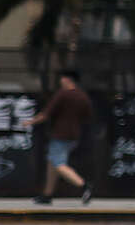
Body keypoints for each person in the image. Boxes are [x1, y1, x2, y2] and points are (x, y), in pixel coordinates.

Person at [29, 69, 93, 204]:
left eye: (62, 78)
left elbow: (47, 113)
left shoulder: (63, 94)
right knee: (52, 163)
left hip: (60, 134)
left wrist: (30, 122)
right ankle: (47, 195)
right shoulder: (83, 96)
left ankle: (83, 185)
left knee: (58, 163)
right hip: (74, 135)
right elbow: (87, 115)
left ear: (67, 79)